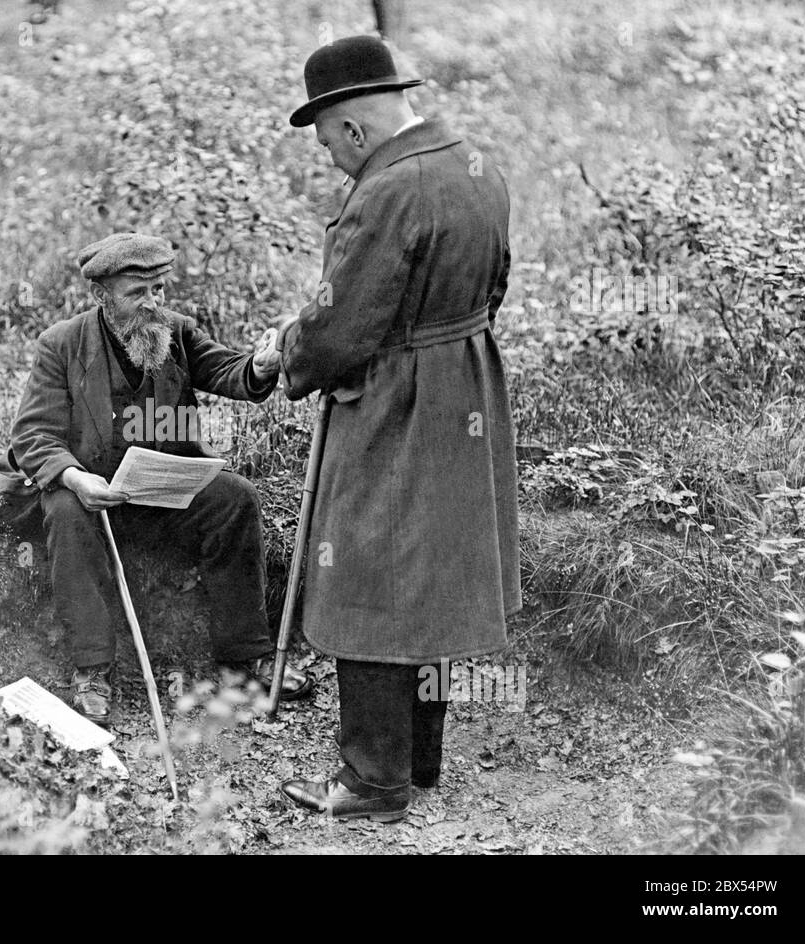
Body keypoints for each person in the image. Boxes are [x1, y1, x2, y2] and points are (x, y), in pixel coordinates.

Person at [275, 36, 521, 822]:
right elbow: (499, 281)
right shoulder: (475, 164)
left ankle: (371, 783)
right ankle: (420, 759)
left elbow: (340, 323)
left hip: (396, 396)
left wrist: (291, 357)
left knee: (366, 572)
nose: (332, 161)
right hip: (467, 384)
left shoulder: (386, 192)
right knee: (434, 570)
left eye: (327, 145)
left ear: (352, 128)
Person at [0, 233, 314, 725]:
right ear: (102, 296)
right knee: (63, 505)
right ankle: (92, 670)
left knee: (235, 498)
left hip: (156, 495)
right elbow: (34, 435)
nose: (153, 305)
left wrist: (258, 365)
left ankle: (244, 661)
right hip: (91, 503)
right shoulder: (61, 346)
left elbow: (229, 371)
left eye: (159, 290)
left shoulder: (176, 333)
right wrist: (74, 477)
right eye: (137, 294)